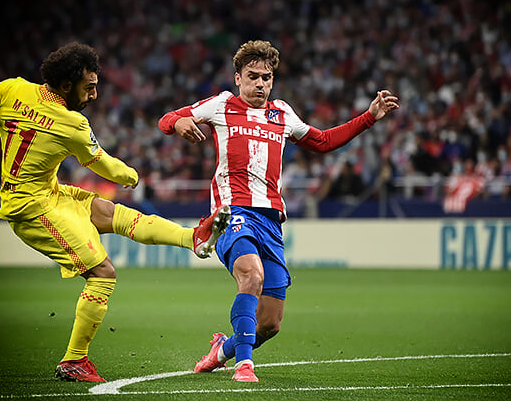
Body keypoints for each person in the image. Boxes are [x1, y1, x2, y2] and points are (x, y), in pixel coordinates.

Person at [0, 42, 231, 383]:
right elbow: (105, 166)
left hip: (48, 193)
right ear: (66, 85)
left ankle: (193, 238)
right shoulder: (71, 123)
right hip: (31, 208)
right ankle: (74, 360)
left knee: (112, 213)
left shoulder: (11, 89)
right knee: (102, 273)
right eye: (89, 87)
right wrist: (132, 176)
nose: (94, 95)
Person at [158, 40, 399, 382]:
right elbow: (167, 119)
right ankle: (244, 366)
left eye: (266, 78)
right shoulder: (221, 104)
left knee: (270, 323)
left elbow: (323, 141)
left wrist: (369, 117)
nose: (260, 84)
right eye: (253, 76)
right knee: (251, 275)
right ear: (238, 78)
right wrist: (178, 123)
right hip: (232, 213)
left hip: (271, 221)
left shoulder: (282, 114)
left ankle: (222, 351)